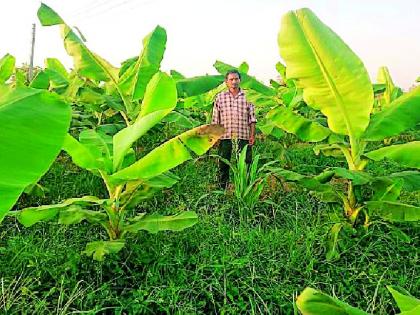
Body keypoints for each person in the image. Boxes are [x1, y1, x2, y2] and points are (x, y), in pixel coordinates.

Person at [211, 69, 257, 189]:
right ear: (226, 82)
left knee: (246, 163)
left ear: (240, 80)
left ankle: (244, 188)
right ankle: (222, 188)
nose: (234, 82)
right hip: (225, 136)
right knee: (223, 163)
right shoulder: (220, 97)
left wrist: (252, 135)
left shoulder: (248, 97)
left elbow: (252, 119)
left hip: (243, 135)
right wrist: (215, 137)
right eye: (231, 79)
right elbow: (216, 119)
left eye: (236, 79)